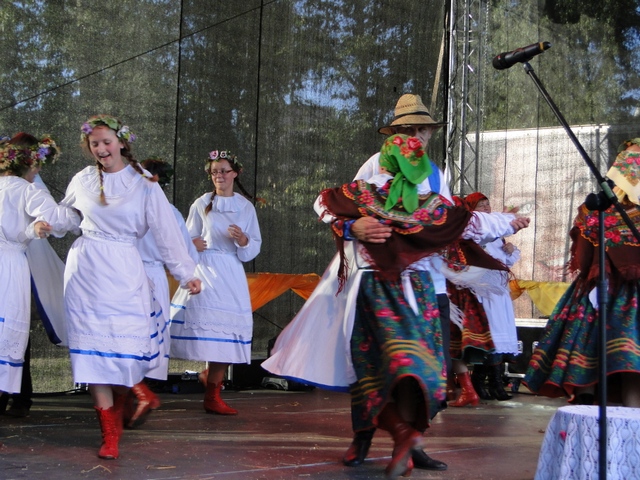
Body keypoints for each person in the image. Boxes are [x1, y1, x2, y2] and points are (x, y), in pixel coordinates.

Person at [264, 132, 529, 479]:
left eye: (423, 131)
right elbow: (469, 223)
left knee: (398, 370)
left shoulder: (413, 196)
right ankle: (381, 438)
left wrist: (506, 222)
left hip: (415, 291)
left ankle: (407, 441)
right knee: (391, 369)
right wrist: (351, 226)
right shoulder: (396, 194)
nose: (419, 141)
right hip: (392, 289)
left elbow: (467, 222)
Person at [61, 115, 202, 459]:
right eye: (95, 143)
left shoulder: (144, 184)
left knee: (126, 344)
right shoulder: (82, 179)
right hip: (85, 268)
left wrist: (186, 273)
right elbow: (68, 216)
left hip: (123, 266)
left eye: (107, 142)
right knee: (91, 352)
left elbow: (167, 232)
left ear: (122, 143)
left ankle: (132, 396)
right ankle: (109, 434)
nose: (101, 149)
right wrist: (44, 220)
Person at [524, 140, 640, 407]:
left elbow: (584, 256)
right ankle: (608, 412)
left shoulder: (599, 209)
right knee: (620, 356)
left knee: (597, 346)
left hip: (605, 287)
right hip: (608, 288)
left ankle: (600, 409)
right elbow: (585, 255)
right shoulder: (599, 207)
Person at [170, 149, 262, 416]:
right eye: (214, 172)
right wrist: (192, 244)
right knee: (206, 323)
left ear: (235, 173)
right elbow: (186, 237)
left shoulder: (245, 207)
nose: (219, 176)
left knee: (228, 331)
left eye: (223, 171)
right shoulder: (202, 203)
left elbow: (253, 245)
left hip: (230, 271)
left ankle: (212, 392)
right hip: (206, 268)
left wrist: (243, 240)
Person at [0, 133, 80, 408]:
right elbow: (57, 219)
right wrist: (80, 213)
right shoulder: (26, 190)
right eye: (37, 166)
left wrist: (29, 230)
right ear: (29, 164)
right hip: (9, 267)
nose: (38, 172)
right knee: (7, 332)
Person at [123, 157, 200, 428]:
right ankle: (136, 393)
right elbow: (187, 252)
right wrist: (186, 273)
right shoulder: (171, 212)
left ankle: (133, 395)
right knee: (149, 334)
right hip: (155, 274)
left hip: (127, 271)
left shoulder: (125, 206)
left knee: (124, 333)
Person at [448, 192, 521, 404]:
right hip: (479, 290)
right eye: (481, 205)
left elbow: (505, 259)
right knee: (487, 334)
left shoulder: (492, 233)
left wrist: (510, 249)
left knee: (495, 333)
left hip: (495, 289)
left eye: (488, 204)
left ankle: (489, 384)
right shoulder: (473, 233)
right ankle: (477, 384)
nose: (487, 208)